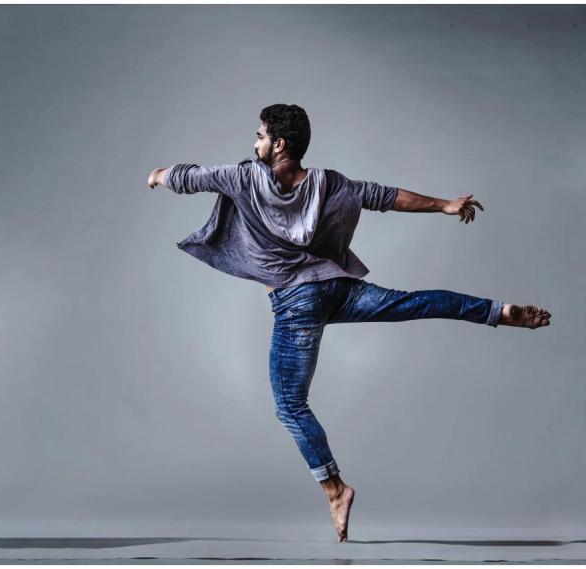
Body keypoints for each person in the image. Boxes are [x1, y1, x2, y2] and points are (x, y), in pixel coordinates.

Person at [147, 104, 551, 542]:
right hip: (335, 288)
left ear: (278, 144)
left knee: (290, 406)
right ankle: (497, 312)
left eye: (260, 135)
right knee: (414, 303)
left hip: (296, 304)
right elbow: (383, 196)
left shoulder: (242, 178)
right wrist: (444, 206)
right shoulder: (329, 183)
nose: (255, 142)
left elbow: (188, 176)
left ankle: (335, 488)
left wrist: (157, 175)